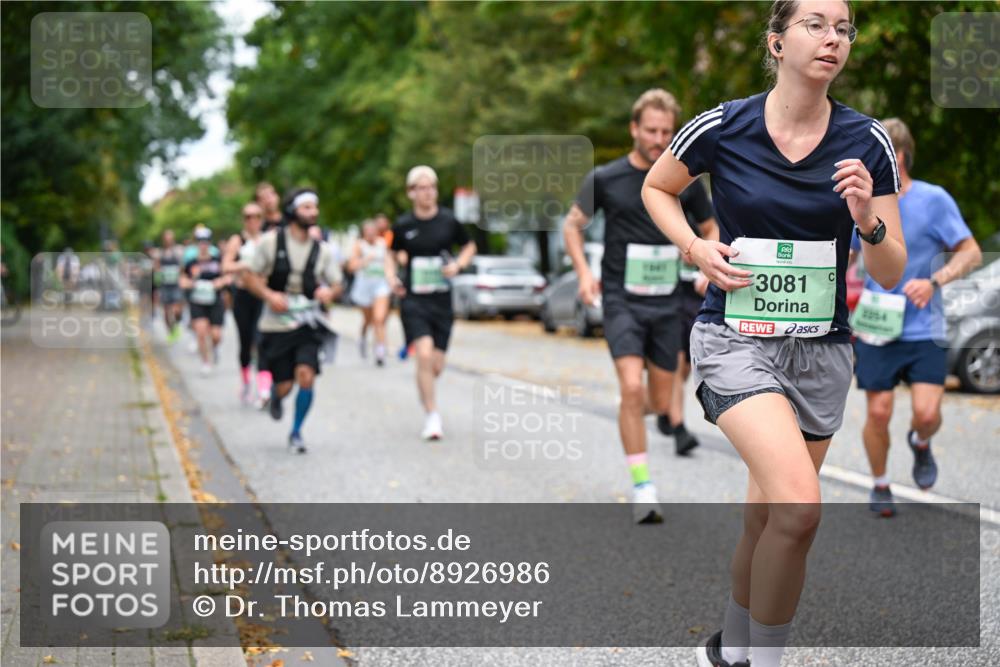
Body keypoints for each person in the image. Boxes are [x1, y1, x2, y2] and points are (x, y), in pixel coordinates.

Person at [641, 2, 907, 666]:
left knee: (767, 517)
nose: (833, 38)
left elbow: (891, 265)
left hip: (821, 351)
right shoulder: (724, 125)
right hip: (737, 341)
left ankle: (730, 646)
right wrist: (697, 250)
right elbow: (657, 188)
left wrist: (865, 218)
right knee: (799, 509)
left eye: (843, 28)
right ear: (777, 41)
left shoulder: (866, 142)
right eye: (815, 23)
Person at [564, 89, 715, 524]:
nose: (658, 138)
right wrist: (583, 274)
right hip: (621, 299)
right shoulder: (606, 178)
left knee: (660, 399)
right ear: (634, 129)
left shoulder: (683, 181)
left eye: (667, 132)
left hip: (669, 304)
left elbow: (709, 225)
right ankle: (643, 484)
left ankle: (648, 413)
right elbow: (573, 227)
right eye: (651, 130)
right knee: (632, 388)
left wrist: (706, 258)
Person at [850, 118, 981, 517]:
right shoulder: (860, 202)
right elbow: (848, 258)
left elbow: (970, 251)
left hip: (925, 325)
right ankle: (880, 484)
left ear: (898, 157)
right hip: (876, 324)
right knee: (878, 411)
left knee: (926, 414)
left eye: (877, 155)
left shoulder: (933, 199)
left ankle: (920, 443)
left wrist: (935, 281)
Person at [245, 188, 343, 453]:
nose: (313, 212)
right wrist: (268, 295)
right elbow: (249, 276)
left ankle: (296, 431)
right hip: (276, 324)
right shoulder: (270, 243)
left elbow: (337, 283)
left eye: (315, 207)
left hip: (308, 322)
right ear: (292, 211)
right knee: (286, 384)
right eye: (306, 207)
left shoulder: (321, 250)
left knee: (306, 375)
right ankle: (277, 396)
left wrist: (328, 292)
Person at [385, 166, 476, 440]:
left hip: (441, 301)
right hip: (414, 300)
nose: (428, 193)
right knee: (423, 354)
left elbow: (469, 246)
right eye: (421, 188)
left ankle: (425, 388)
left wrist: (458, 265)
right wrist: (391, 276)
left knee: (434, 365)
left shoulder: (449, 221)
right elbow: (389, 253)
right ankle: (432, 415)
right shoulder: (403, 225)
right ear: (411, 192)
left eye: (432, 187)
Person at [223, 201, 272, 405]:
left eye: (256, 216)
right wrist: (245, 265)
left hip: (262, 296)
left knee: (261, 341)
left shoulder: (268, 239)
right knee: (245, 342)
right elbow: (226, 265)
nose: (252, 221)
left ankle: (264, 390)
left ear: (262, 219)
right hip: (242, 296)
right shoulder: (238, 240)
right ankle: (245, 382)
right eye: (248, 217)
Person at [180, 227, 230, 376]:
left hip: (215, 301)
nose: (203, 245)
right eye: (200, 242)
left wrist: (219, 283)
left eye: (206, 242)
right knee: (201, 332)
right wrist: (194, 282)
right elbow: (182, 280)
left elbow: (228, 277)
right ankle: (206, 362)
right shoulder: (191, 262)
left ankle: (213, 348)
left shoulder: (218, 260)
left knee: (216, 335)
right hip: (198, 301)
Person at [348, 219, 392, 365]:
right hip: (364, 286)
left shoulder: (382, 244)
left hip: (380, 285)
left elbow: (388, 263)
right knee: (368, 320)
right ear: (364, 232)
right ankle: (362, 338)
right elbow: (351, 266)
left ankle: (380, 351)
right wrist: (365, 260)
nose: (371, 234)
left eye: (373, 231)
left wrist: (392, 278)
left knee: (379, 319)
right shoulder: (359, 245)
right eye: (368, 232)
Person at [155, 230, 185, 343]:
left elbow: (183, 266)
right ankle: (170, 331)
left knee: (177, 309)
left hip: (176, 284)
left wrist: (180, 273)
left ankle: (176, 325)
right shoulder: (160, 253)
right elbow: (156, 267)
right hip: (165, 285)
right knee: (166, 311)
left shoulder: (178, 250)